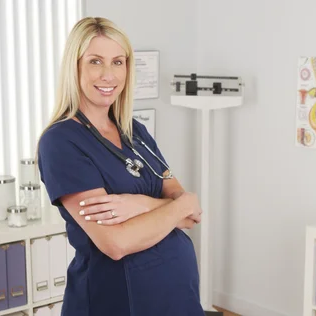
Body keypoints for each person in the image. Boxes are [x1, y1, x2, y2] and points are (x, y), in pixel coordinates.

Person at [37, 17, 204, 316]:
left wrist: (139, 204)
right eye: (95, 61)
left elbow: (191, 214)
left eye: (118, 62)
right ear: (74, 67)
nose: (108, 75)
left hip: (177, 297)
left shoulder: (134, 131)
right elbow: (116, 242)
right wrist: (176, 206)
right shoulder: (61, 142)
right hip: (119, 300)